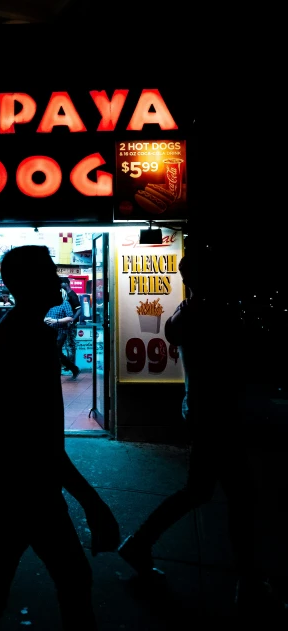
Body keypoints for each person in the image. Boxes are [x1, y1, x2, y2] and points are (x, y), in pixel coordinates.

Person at [0, 245, 120, 630]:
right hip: (21, 488)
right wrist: (91, 501)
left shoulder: (24, 330)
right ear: (29, 282)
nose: (58, 279)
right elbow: (36, 437)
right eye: (48, 271)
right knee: (55, 581)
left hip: (10, 484)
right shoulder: (26, 338)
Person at [117, 247, 287, 619]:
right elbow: (241, 359)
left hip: (201, 409)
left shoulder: (187, 311)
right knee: (238, 496)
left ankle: (141, 544)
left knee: (201, 491)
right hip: (217, 414)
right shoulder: (216, 314)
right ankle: (249, 581)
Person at [45, 295, 80, 379]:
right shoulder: (48, 304)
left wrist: (56, 321)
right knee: (57, 353)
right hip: (49, 331)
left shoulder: (65, 303)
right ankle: (73, 368)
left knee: (56, 351)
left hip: (61, 331)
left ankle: (72, 368)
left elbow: (70, 318)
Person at [60, 278, 82, 370]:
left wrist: (72, 319)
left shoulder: (72, 295)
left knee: (71, 345)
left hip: (71, 324)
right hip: (66, 324)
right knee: (66, 344)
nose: (60, 284)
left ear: (66, 283)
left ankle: (71, 365)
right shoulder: (65, 295)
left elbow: (79, 309)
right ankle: (69, 365)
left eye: (61, 282)